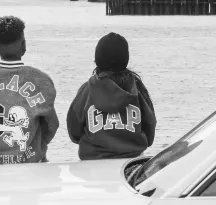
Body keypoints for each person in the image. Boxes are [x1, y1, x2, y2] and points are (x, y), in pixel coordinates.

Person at [0, 16, 59, 165]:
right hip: (31, 160)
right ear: (24, 46)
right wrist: (37, 146)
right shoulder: (41, 80)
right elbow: (51, 125)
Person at [67, 32, 157, 160]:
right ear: (125, 59)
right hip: (131, 163)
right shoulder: (137, 89)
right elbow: (150, 128)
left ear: (97, 59)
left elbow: (74, 130)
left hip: (92, 164)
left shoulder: (87, 90)